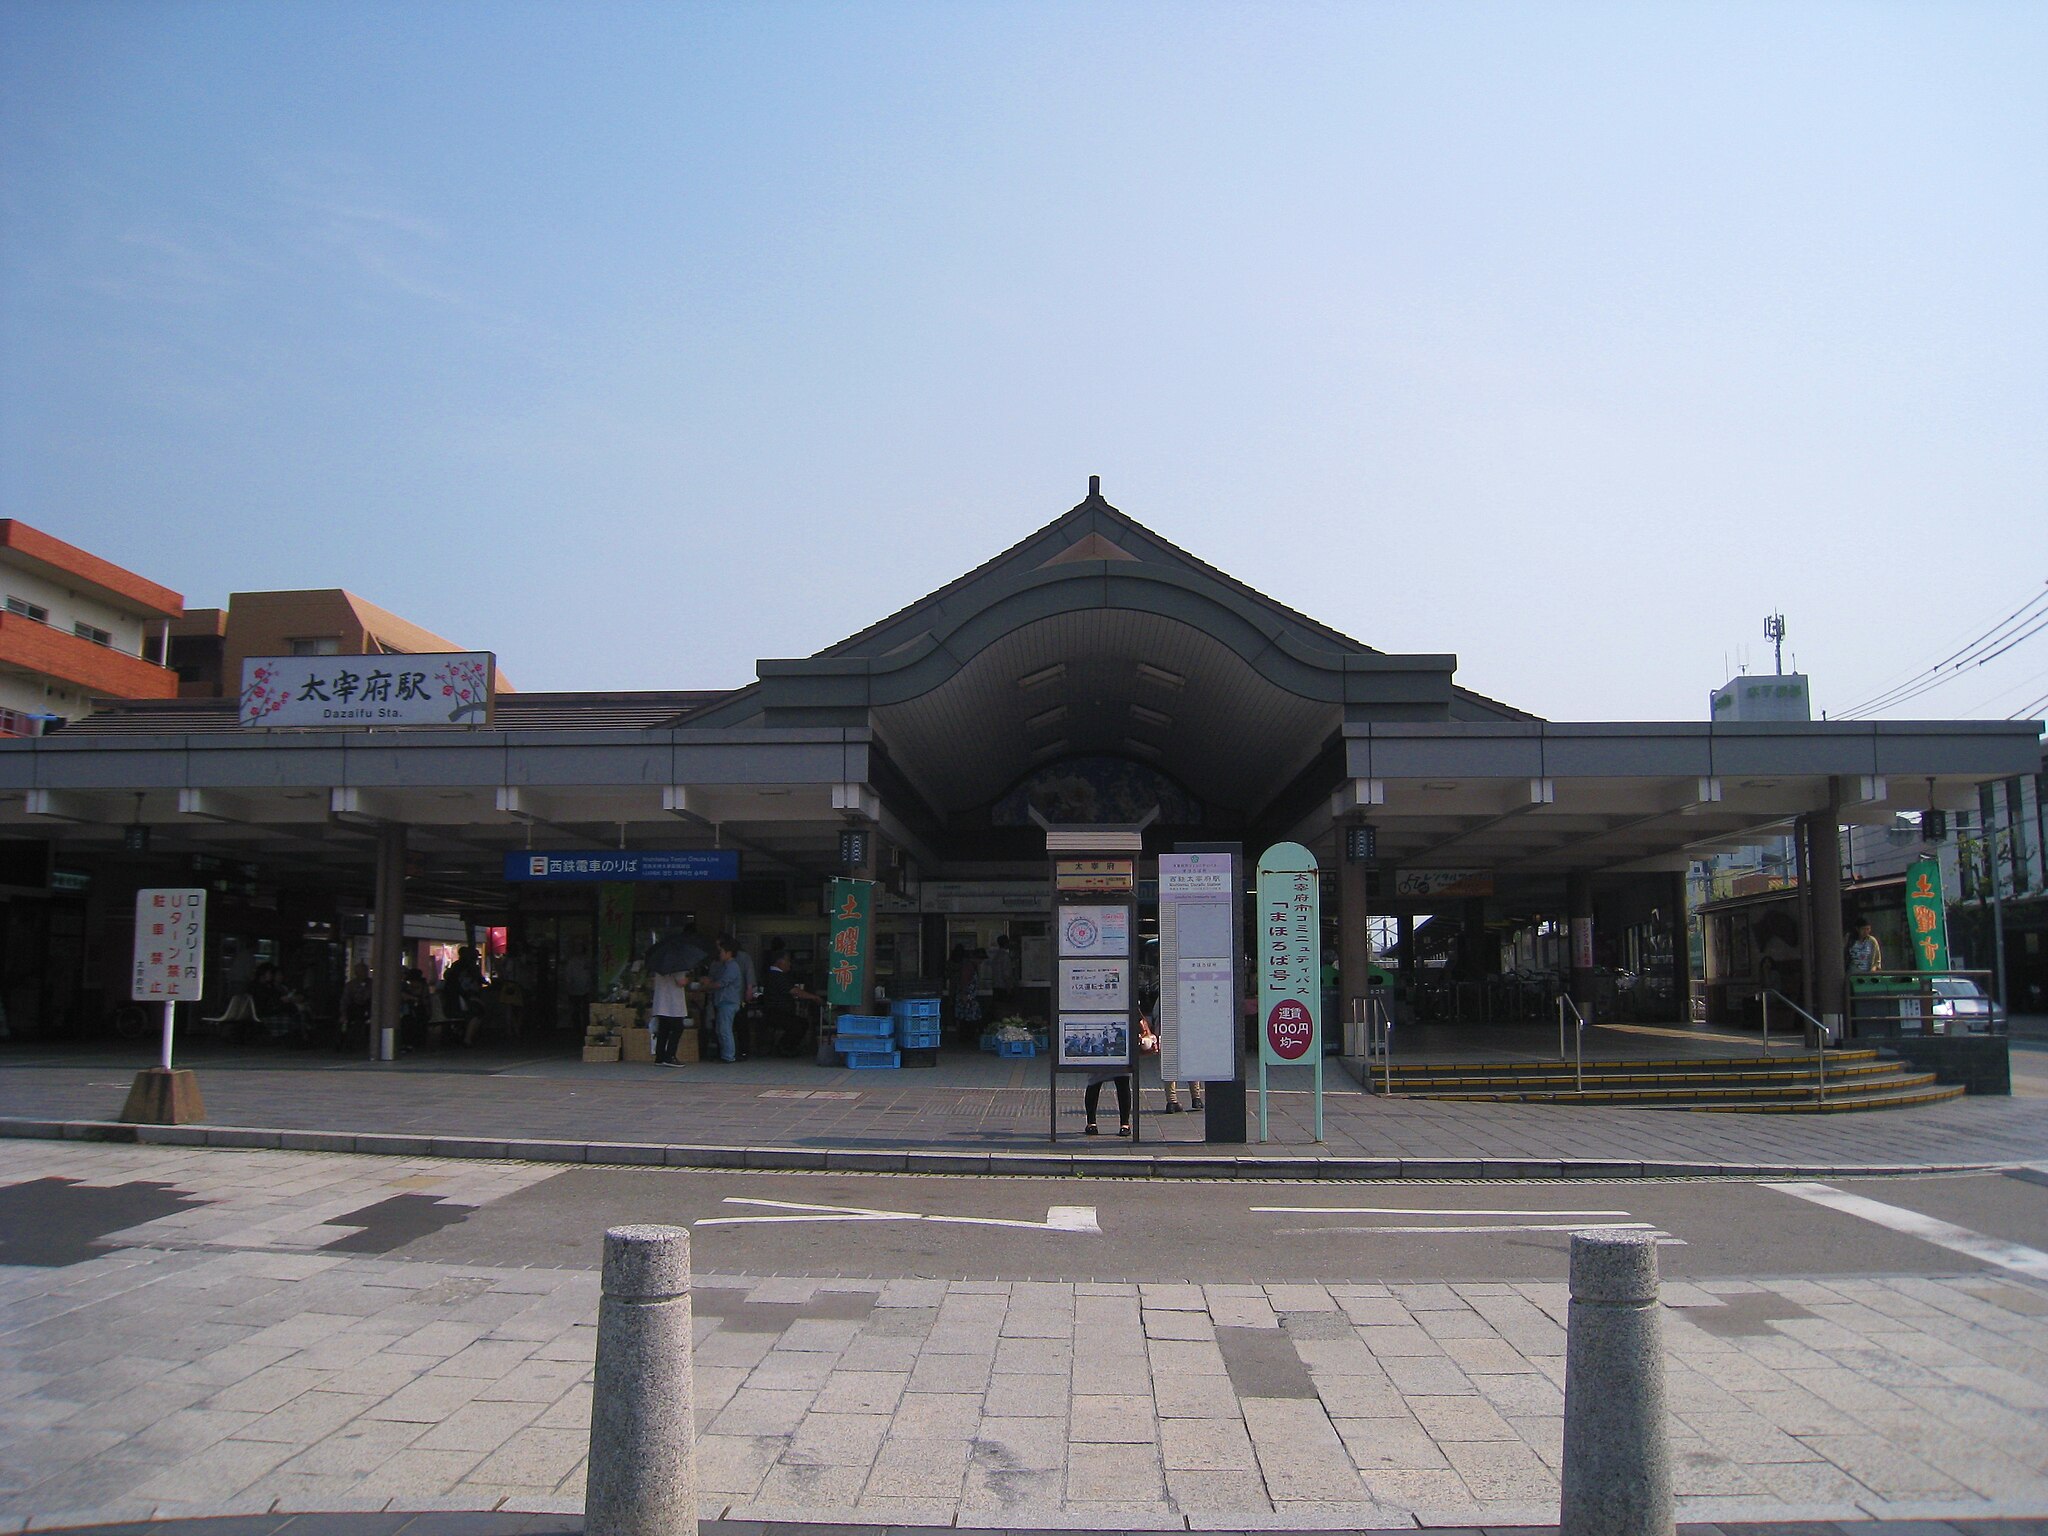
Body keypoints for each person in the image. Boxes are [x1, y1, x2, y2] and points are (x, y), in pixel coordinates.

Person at [759, 948, 820, 1056]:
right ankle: (784, 1047)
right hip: (777, 1012)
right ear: (780, 961)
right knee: (800, 1024)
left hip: (776, 1012)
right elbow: (794, 991)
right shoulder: (777, 975)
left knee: (798, 1022)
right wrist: (813, 997)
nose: (789, 964)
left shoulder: (772, 974)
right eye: (787, 961)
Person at [649, 954, 692, 1066]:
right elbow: (681, 982)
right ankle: (670, 1056)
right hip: (673, 1004)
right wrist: (688, 979)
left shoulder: (660, 963)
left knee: (663, 1029)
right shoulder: (678, 964)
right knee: (677, 1028)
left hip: (661, 1002)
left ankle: (660, 1056)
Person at [708, 938, 745, 1063]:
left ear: (729, 953)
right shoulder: (726, 966)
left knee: (725, 1029)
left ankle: (728, 1056)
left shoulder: (732, 966)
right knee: (721, 1029)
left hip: (728, 1002)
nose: (720, 954)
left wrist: (708, 985)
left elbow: (722, 983)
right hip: (724, 1002)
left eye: (721, 951)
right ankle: (726, 1054)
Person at [339, 961, 373, 1054]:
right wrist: (343, 1014)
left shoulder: (372, 984)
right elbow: (345, 1000)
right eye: (360, 971)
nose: (363, 974)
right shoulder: (351, 985)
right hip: (355, 1009)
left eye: (364, 971)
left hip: (369, 1008)